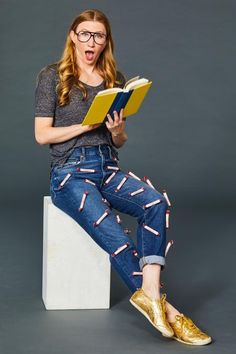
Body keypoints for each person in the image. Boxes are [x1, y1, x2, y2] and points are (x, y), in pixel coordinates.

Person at [34, 8, 212, 345]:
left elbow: (118, 141)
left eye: (98, 35)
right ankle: (171, 312)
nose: (91, 41)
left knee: (156, 203)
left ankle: (149, 296)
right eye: (84, 33)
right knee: (116, 235)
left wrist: (117, 131)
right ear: (73, 36)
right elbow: (42, 135)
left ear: (105, 41)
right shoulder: (52, 76)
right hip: (69, 174)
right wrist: (86, 124)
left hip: (107, 166)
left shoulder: (114, 80)